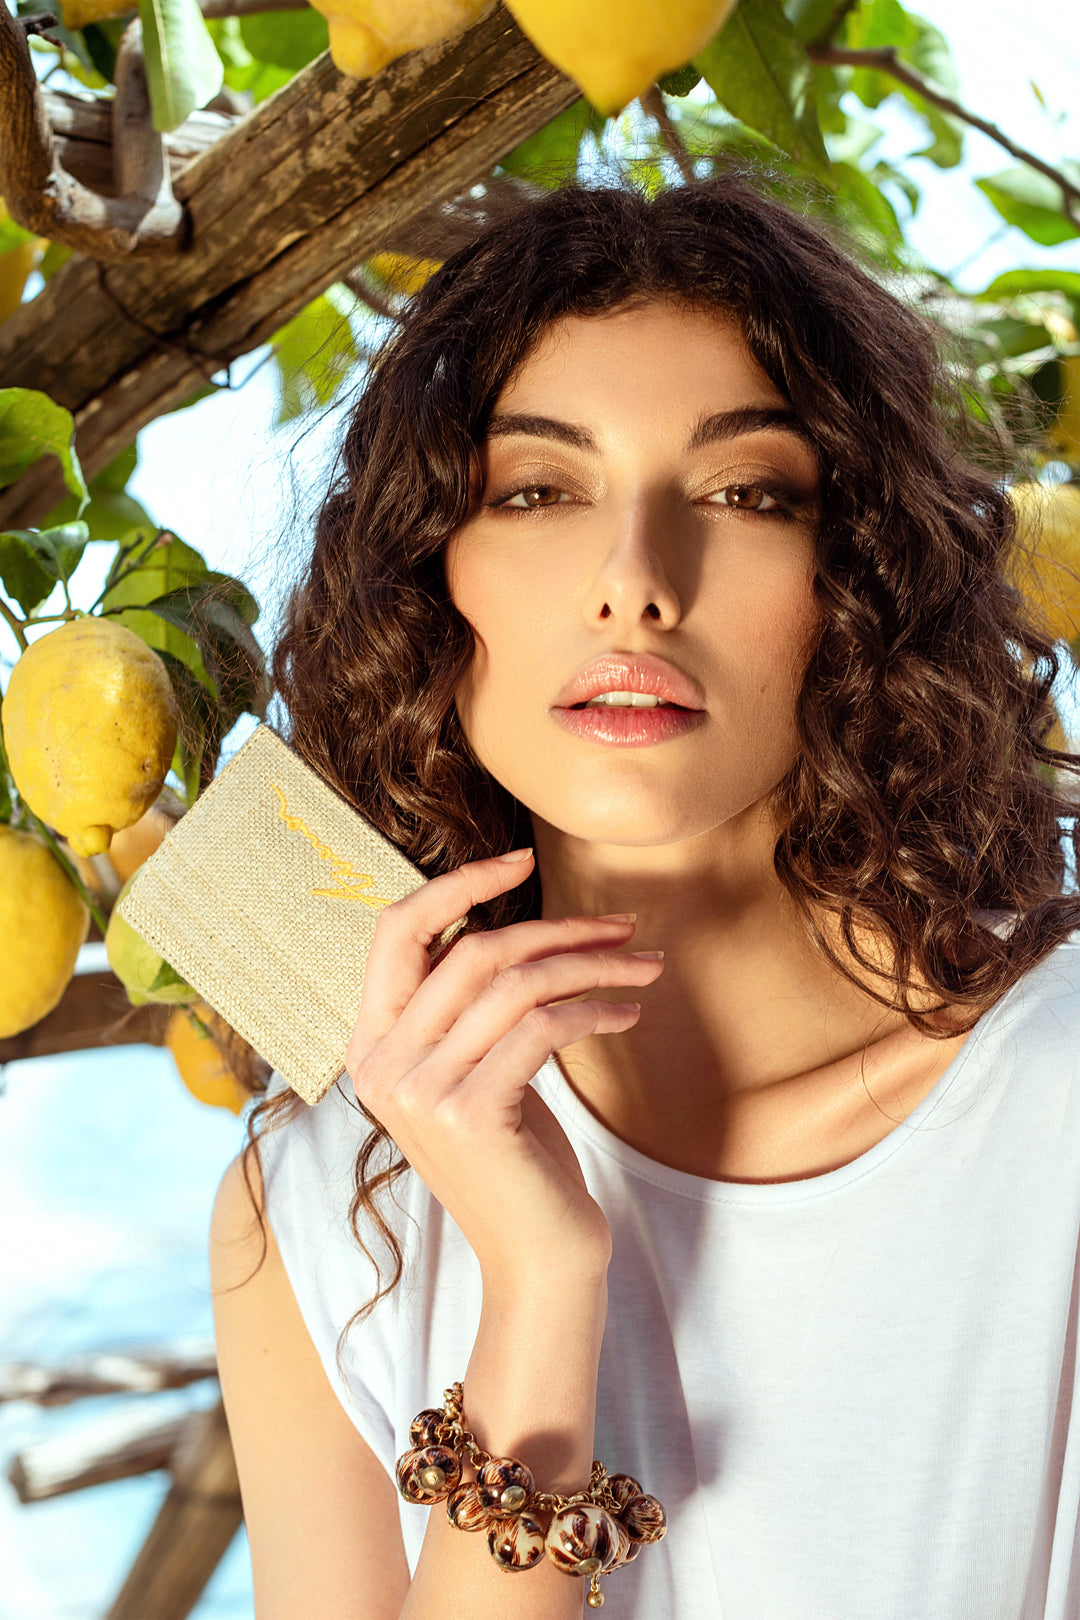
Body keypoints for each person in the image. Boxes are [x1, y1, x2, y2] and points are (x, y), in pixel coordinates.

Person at [209, 174, 1080, 1619]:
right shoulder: (315, 1209)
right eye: (538, 490)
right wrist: (542, 1284)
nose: (633, 585)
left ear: (858, 575)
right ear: (432, 577)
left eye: (747, 493)